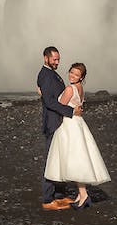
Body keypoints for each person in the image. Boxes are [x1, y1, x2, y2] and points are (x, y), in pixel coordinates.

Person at [43, 62, 110, 209]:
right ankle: (81, 195)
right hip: (78, 123)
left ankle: (84, 195)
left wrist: (43, 94)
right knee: (80, 157)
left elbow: (59, 106)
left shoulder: (69, 88)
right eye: (71, 72)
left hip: (68, 125)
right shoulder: (80, 89)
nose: (72, 76)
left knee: (73, 159)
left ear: (82, 77)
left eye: (76, 75)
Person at [37, 45, 80, 210]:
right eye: (54, 59)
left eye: (58, 59)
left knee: (60, 159)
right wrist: (71, 111)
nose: (57, 62)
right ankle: (48, 200)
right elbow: (50, 102)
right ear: (45, 58)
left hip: (58, 122)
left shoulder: (51, 74)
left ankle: (59, 195)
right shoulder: (46, 75)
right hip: (53, 122)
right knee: (50, 161)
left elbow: (56, 95)